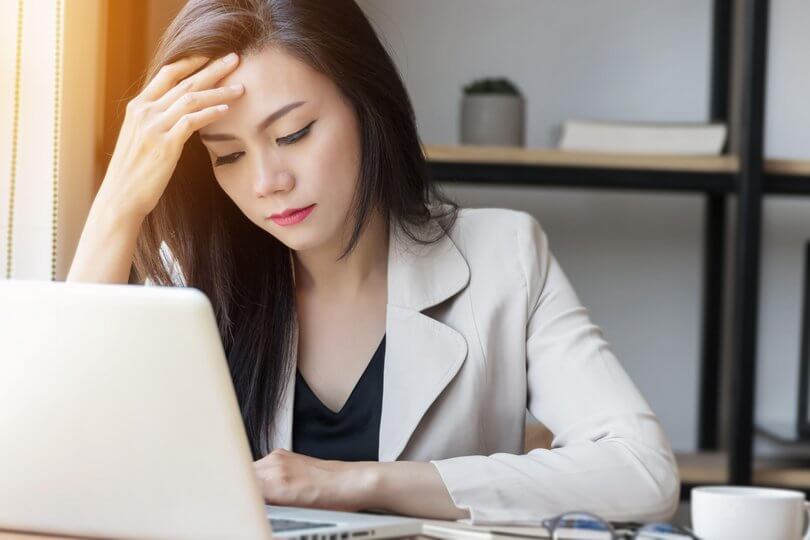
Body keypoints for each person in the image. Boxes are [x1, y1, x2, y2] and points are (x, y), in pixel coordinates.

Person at [67, 0, 680, 525]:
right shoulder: (193, 281)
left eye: (294, 133)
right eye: (227, 156)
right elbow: (67, 465)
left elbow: (641, 471)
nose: (267, 182)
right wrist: (117, 206)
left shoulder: (504, 256)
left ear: (367, 107)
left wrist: (356, 483)